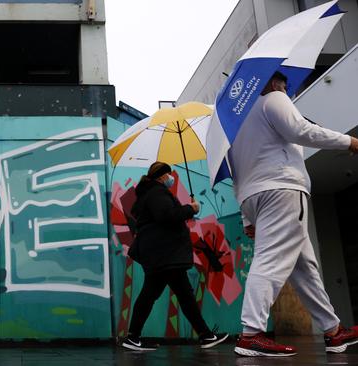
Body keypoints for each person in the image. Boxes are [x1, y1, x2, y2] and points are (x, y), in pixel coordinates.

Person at [229, 71, 358, 357]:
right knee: (271, 260)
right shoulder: (274, 98)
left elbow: (235, 174)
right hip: (282, 189)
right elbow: (301, 130)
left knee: (305, 269)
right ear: (275, 83)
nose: (287, 92)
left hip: (255, 196)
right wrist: (348, 142)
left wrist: (247, 217)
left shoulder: (236, 127)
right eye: (286, 87)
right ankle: (251, 333)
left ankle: (333, 331)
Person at [122, 161, 229, 351]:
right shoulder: (157, 193)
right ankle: (205, 336)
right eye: (169, 175)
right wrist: (191, 209)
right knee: (180, 295)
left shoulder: (150, 193)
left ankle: (133, 337)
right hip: (165, 255)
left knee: (156, 295)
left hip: (161, 255)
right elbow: (167, 215)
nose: (171, 178)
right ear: (162, 176)